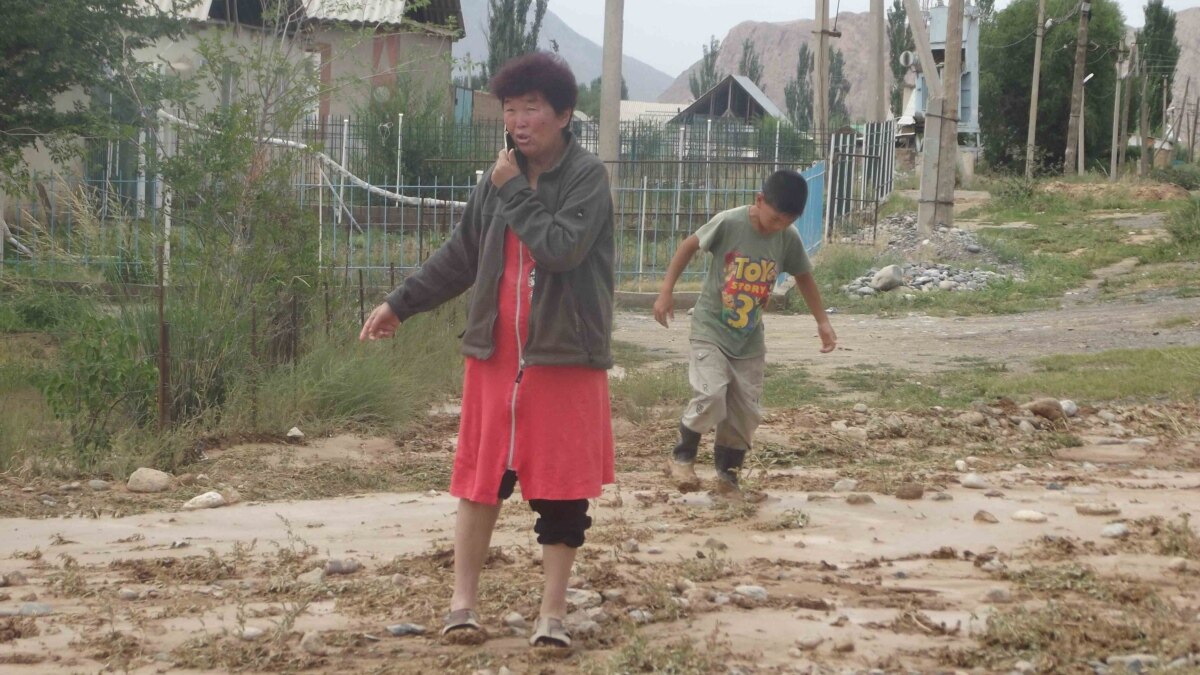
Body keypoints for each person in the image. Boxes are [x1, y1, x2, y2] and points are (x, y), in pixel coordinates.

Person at [359, 52, 615, 649]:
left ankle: (552, 614)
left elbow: (561, 249)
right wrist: (400, 303)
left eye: (532, 108)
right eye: (510, 109)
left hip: (564, 356)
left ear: (564, 115)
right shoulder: (498, 178)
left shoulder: (585, 177)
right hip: (495, 354)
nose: (519, 121)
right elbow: (462, 255)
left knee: (560, 489)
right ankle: (462, 604)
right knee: (481, 480)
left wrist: (512, 192)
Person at [653, 170, 836, 500]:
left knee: (744, 413)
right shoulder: (729, 222)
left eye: (788, 221)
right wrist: (666, 291)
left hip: (749, 339)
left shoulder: (788, 237)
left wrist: (822, 321)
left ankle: (728, 479)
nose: (779, 226)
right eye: (775, 218)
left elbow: (804, 277)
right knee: (711, 394)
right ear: (759, 200)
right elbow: (688, 246)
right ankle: (682, 457)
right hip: (711, 329)